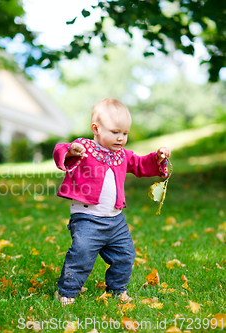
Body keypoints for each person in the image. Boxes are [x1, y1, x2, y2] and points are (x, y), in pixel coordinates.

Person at [53, 98, 171, 305]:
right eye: (115, 132)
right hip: (87, 218)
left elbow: (142, 164)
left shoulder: (122, 155)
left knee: (125, 256)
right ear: (96, 128)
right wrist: (71, 151)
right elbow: (60, 151)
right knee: (81, 255)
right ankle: (67, 292)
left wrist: (158, 158)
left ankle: (117, 290)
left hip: (116, 221)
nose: (121, 138)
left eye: (125, 133)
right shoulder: (85, 148)